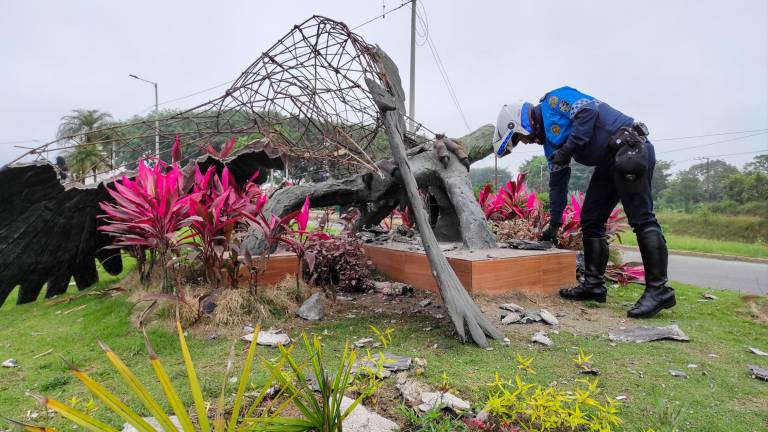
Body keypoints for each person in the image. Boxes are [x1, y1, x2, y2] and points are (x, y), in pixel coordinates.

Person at [492, 87, 675, 318]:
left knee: (641, 219)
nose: (525, 143)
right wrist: (554, 225)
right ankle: (594, 285)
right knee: (590, 220)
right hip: (608, 163)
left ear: (520, 123)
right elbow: (558, 184)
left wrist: (568, 149)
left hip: (630, 148)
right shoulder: (550, 145)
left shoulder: (554, 100)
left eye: (519, 138)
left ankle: (659, 290)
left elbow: (587, 112)